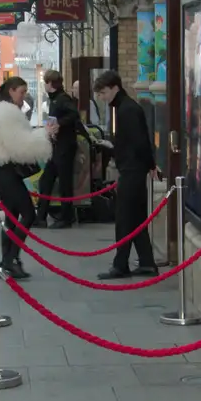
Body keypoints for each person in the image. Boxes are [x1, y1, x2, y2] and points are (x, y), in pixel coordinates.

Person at [0, 77, 50, 280]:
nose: (24, 96)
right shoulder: (7, 113)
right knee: (27, 214)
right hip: (6, 170)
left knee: (12, 216)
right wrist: (45, 134)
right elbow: (21, 145)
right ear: (11, 91)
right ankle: (10, 259)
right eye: (21, 92)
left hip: (0, 169)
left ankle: (8, 259)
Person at [92, 70, 158, 279]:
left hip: (132, 170)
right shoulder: (124, 108)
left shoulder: (127, 109)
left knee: (124, 218)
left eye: (103, 93)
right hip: (133, 168)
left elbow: (140, 142)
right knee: (136, 218)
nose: (102, 98)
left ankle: (120, 265)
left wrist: (150, 164)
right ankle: (147, 262)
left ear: (114, 88)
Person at [35, 70, 85, 228]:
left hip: (64, 147)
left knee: (64, 182)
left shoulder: (62, 99)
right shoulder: (55, 99)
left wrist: (59, 124)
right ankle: (41, 216)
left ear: (50, 83)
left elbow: (74, 115)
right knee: (47, 180)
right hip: (57, 146)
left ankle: (66, 217)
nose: (44, 85)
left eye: (45, 82)